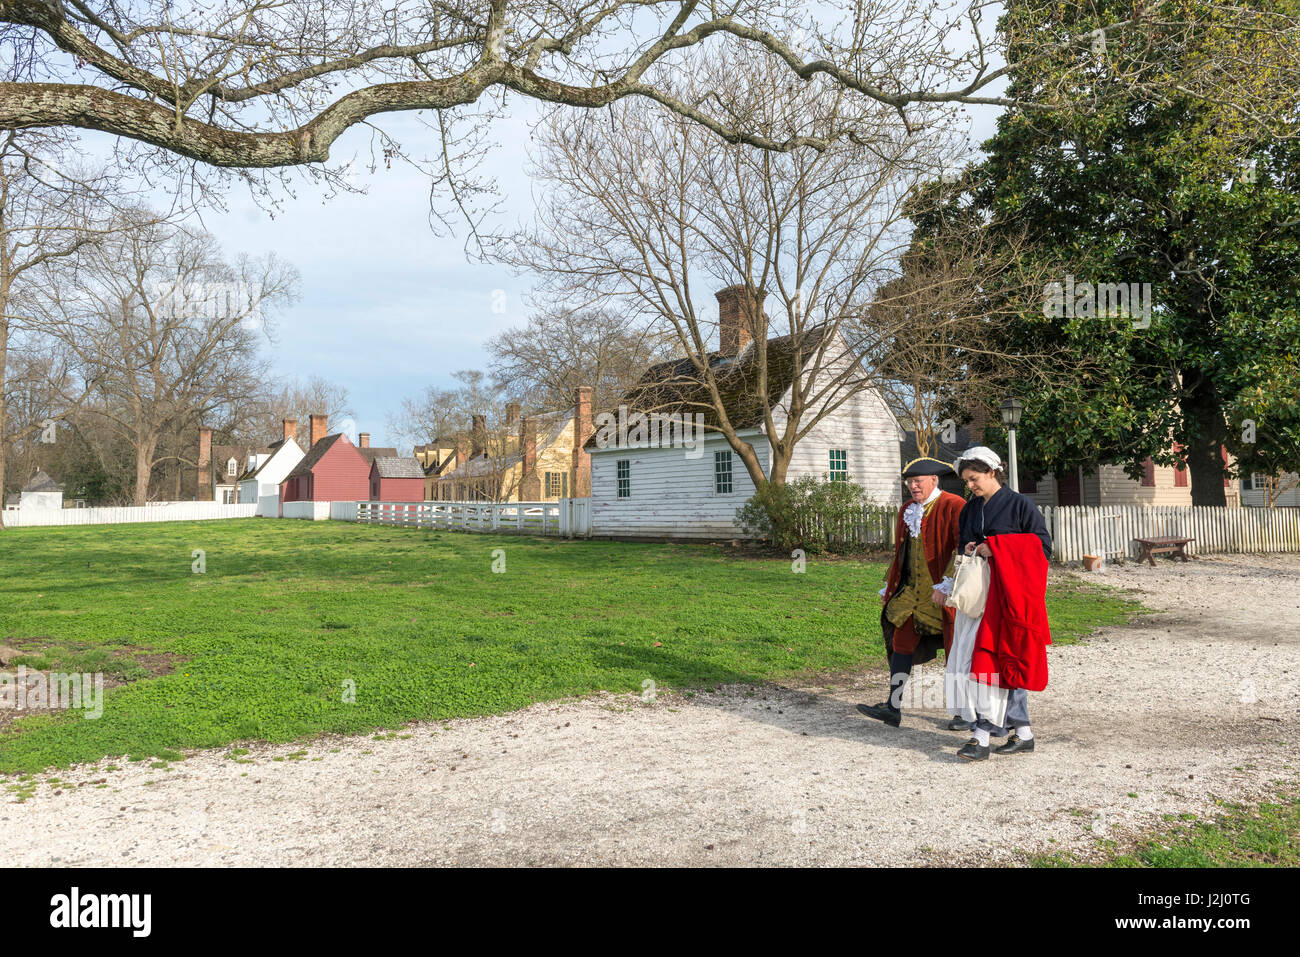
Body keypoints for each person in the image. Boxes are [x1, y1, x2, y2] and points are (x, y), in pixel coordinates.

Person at [950, 446, 1052, 761]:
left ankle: (981, 737)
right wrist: (970, 548)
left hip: (1009, 595)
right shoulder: (970, 509)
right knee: (989, 662)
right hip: (979, 596)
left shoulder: (1021, 505)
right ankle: (1022, 733)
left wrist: (997, 547)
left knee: (997, 662)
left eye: (975, 478)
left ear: (993, 472)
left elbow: (1042, 548)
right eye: (967, 481)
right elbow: (962, 548)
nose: (971, 486)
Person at [858, 456, 966, 728]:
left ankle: (963, 712)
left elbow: (962, 549)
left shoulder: (954, 505)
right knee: (900, 644)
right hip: (911, 594)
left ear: (934, 480)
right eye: (909, 483)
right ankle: (893, 708)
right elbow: (901, 552)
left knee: (956, 651)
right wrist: (890, 583)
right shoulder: (907, 509)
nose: (913, 487)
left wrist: (947, 583)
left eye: (917, 481)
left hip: (943, 593)